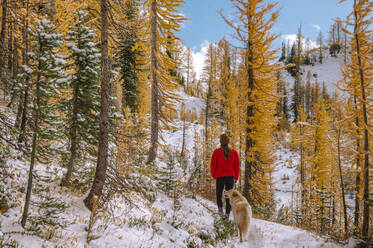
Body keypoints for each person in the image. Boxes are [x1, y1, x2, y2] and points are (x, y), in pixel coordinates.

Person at [210, 133, 240, 218]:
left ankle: (220, 211)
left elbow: (213, 165)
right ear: (228, 141)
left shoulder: (216, 152)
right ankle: (227, 214)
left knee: (219, 194)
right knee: (229, 196)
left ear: (220, 142)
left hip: (220, 176)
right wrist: (236, 177)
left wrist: (214, 175)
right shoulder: (234, 152)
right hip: (230, 177)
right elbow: (237, 166)